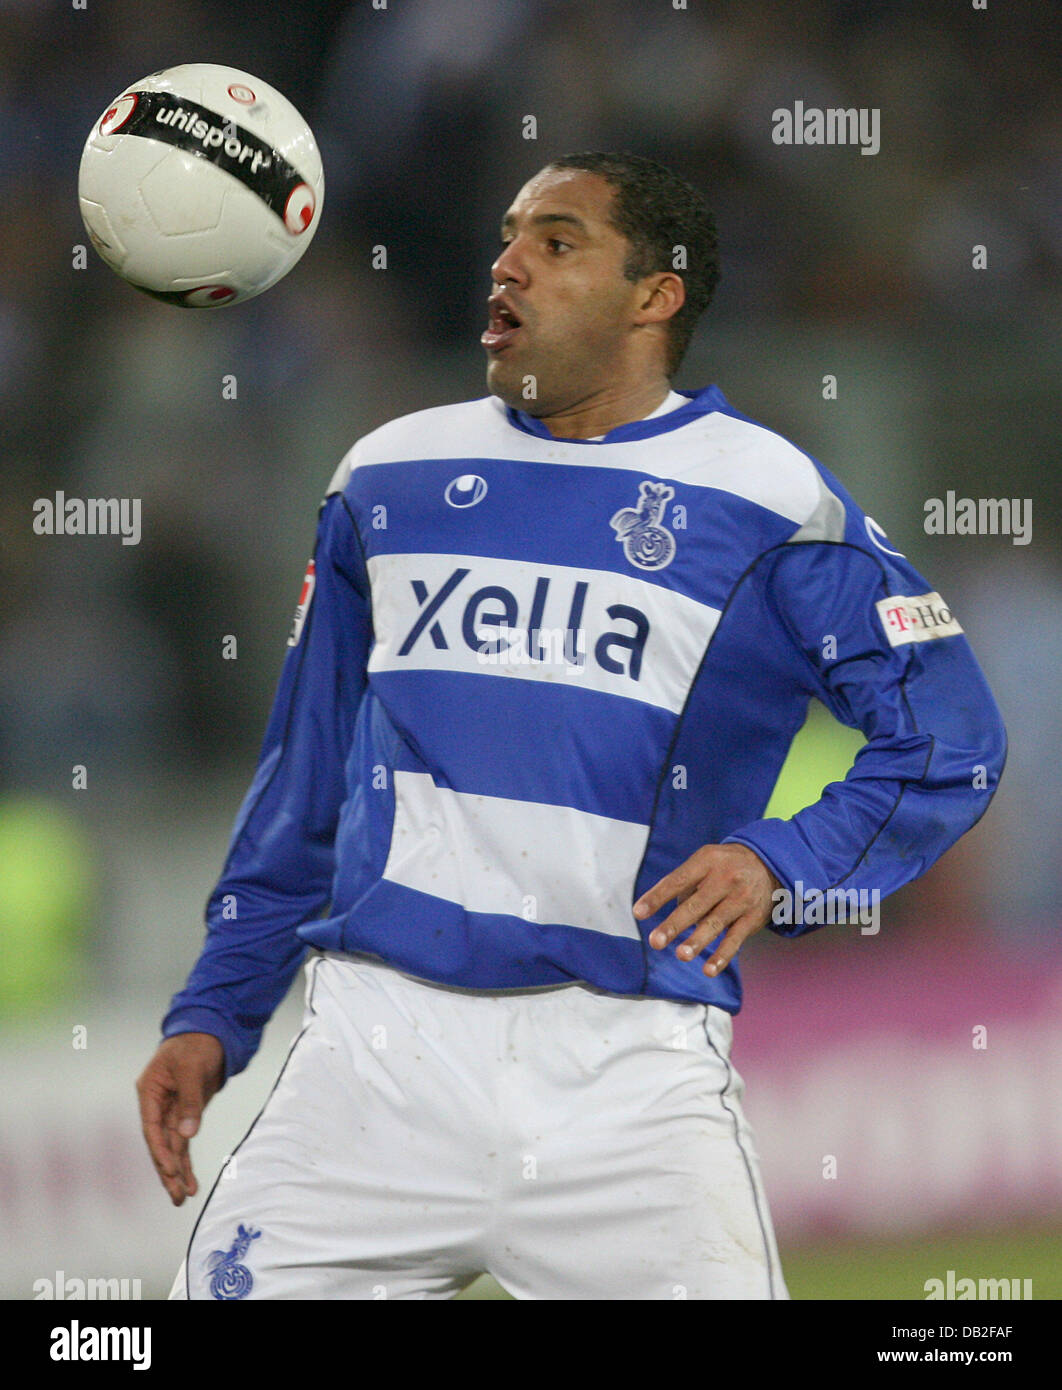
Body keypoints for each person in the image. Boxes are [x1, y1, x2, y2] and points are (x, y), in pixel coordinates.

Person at [137, 151, 1006, 1300]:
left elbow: (949, 738)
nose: (507, 264)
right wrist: (217, 1007)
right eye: (507, 237)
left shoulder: (771, 500)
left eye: (557, 242)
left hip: (627, 1078)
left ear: (656, 296)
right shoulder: (385, 476)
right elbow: (305, 786)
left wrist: (776, 856)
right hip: (374, 1067)